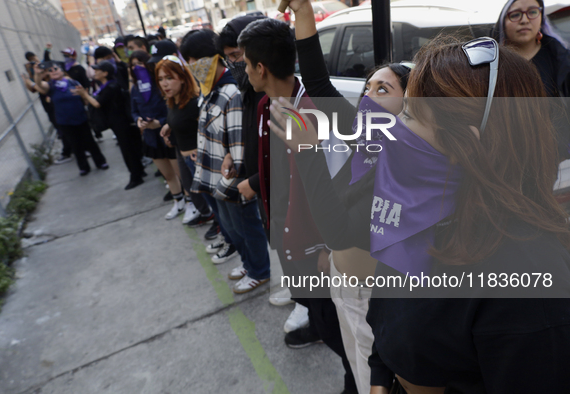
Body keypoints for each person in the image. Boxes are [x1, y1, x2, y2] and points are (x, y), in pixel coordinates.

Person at [272, 9, 570, 392]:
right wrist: (381, 376)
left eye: (410, 115)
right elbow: (388, 317)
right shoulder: (420, 213)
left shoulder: (528, 282)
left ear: (467, 145)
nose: (392, 125)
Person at [269, 3, 412, 392]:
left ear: (411, 103)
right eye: (367, 87)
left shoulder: (403, 158)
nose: (368, 96)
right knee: (354, 365)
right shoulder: (367, 131)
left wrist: (309, 152)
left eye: (383, 89)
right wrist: (302, 11)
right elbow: (317, 83)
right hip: (342, 280)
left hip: (371, 296)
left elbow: (339, 230)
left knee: (371, 376)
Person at [238, 18, 358, 394]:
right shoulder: (265, 106)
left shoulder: (312, 111)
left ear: (261, 67)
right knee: (317, 311)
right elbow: (276, 174)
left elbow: (338, 185)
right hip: (288, 238)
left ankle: (357, 381)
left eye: (244, 63)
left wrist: (328, 246)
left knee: (343, 333)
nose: (243, 70)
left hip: (319, 248)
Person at [180, 29, 271, 294]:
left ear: (215, 58)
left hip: (231, 179)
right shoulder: (209, 88)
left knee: (245, 227)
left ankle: (259, 271)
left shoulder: (231, 90)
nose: (193, 67)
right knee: (232, 228)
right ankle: (249, 263)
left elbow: (238, 144)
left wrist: (237, 179)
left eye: (197, 60)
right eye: (189, 61)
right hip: (214, 176)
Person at [213, 15, 269, 267]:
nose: (236, 64)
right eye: (230, 58)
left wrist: (256, 181)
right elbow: (249, 137)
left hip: (273, 186)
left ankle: (309, 302)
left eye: (238, 55)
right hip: (260, 184)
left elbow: (289, 157)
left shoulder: (278, 95)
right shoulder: (247, 89)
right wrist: (234, 158)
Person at [493, 0, 570, 160]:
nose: (524, 20)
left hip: (551, 155)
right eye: (515, 14)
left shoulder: (560, 59)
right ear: (503, 23)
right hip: (505, 156)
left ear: (541, 16)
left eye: (533, 12)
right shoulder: (491, 64)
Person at [154, 55, 214, 227]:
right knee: (192, 191)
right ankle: (209, 217)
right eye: (160, 79)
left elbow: (210, 130)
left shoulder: (194, 103)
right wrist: (168, 127)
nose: (164, 84)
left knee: (211, 198)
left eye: (169, 78)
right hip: (182, 154)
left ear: (182, 78)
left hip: (198, 159)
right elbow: (177, 119)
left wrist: (202, 152)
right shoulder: (172, 101)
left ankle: (220, 228)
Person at [129, 50, 186, 219]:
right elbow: (133, 111)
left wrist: (159, 123)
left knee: (182, 175)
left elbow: (170, 109)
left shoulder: (160, 84)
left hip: (167, 136)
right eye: (133, 65)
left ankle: (192, 203)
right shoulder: (135, 89)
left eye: (140, 63)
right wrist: (138, 120)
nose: (137, 67)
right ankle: (179, 202)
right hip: (150, 139)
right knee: (168, 175)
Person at [72, 61, 146, 190]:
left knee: (127, 150)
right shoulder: (105, 85)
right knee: (129, 148)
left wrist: (84, 94)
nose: (94, 72)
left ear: (105, 73)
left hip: (121, 122)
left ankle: (136, 177)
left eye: (97, 70)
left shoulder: (111, 87)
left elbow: (97, 103)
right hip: (116, 122)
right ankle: (139, 171)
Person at [32, 61, 108, 176]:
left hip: (81, 117)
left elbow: (85, 98)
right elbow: (39, 84)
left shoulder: (73, 82)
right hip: (65, 121)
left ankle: (100, 162)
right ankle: (83, 167)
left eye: (56, 69)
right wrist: (37, 74)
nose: (54, 72)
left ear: (62, 70)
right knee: (76, 145)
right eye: (50, 70)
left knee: (90, 142)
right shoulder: (50, 86)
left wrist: (83, 95)